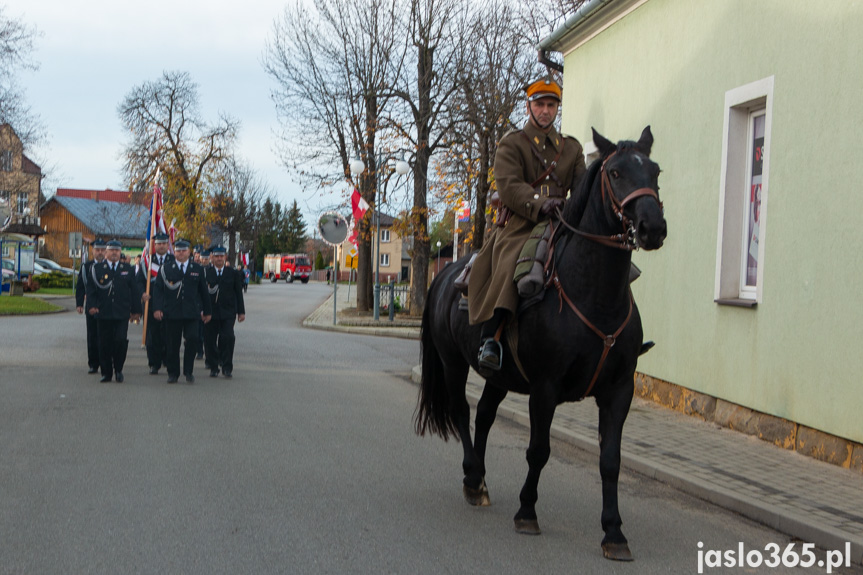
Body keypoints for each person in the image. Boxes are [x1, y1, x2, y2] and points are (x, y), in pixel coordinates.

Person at [468, 75, 586, 371]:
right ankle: (491, 337)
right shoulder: (513, 144)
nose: (546, 110)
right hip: (522, 223)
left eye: (551, 105)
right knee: (512, 261)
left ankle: (617, 334)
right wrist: (540, 202)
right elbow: (508, 186)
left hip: (563, 221)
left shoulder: (571, 148)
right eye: (540, 104)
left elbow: (581, 187)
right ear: (529, 106)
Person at [153, 239, 212, 384]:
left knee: (192, 340)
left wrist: (207, 311)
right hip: (172, 312)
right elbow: (158, 290)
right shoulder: (166, 268)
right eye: (178, 251)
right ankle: (173, 373)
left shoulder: (197, 269)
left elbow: (204, 292)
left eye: (184, 250)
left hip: (191, 312)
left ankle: (188, 371)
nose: (181, 253)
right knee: (172, 344)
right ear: (174, 252)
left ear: (189, 252)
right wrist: (157, 308)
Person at [85, 239, 142, 382]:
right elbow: (91, 290)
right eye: (111, 250)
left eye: (117, 250)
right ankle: (106, 372)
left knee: (120, 341)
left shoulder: (127, 269)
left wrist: (136, 310)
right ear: (106, 252)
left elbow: (134, 291)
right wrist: (91, 305)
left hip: (121, 312)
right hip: (103, 312)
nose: (115, 253)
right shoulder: (97, 269)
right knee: (104, 343)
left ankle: (119, 369)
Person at [204, 246, 246, 378]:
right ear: (212, 257)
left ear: (225, 257)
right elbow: (200, 293)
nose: (219, 259)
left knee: (228, 338)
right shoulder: (205, 272)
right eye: (216, 256)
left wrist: (241, 312)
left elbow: (238, 293)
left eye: (221, 256)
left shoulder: (232, 273)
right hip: (210, 312)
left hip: (228, 312)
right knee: (209, 341)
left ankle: (227, 367)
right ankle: (214, 366)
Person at [137, 232, 174, 374]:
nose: (162, 246)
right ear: (154, 245)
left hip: (169, 303)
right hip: (151, 302)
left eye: (164, 243)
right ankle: (154, 363)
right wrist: (142, 293)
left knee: (168, 334)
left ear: (167, 245)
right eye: (159, 243)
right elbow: (139, 280)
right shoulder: (147, 261)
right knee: (153, 335)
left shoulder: (173, 259)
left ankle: (166, 359)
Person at [75, 238, 107, 374]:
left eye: (102, 250)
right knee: (92, 335)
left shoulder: (109, 265)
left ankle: (106, 361)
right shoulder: (86, 267)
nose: (99, 252)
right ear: (92, 251)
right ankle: (93, 363)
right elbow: (80, 286)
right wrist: (79, 304)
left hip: (107, 306)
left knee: (106, 335)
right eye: (97, 250)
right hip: (92, 305)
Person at [196, 249, 211, 361]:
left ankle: (209, 352)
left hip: (210, 302)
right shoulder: (196, 269)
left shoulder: (212, 270)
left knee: (208, 331)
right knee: (198, 331)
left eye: (206, 259)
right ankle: (199, 351)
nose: (204, 261)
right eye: (203, 258)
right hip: (198, 303)